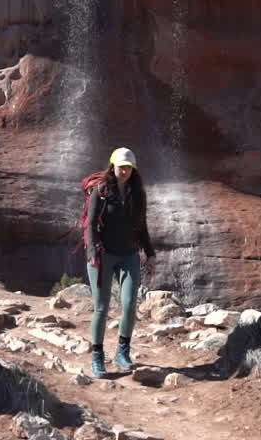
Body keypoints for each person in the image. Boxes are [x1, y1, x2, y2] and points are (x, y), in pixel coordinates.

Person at [86, 146, 156, 377]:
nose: (124, 171)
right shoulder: (101, 191)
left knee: (129, 304)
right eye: (121, 166)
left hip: (129, 255)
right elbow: (91, 224)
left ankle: (122, 352)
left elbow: (141, 226)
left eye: (128, 167)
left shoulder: (138, 194)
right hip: (103, 255)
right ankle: (97, 357)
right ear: (112, 166)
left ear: (133, 170)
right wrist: (93, 253)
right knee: (102, 308)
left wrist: (150, 253)